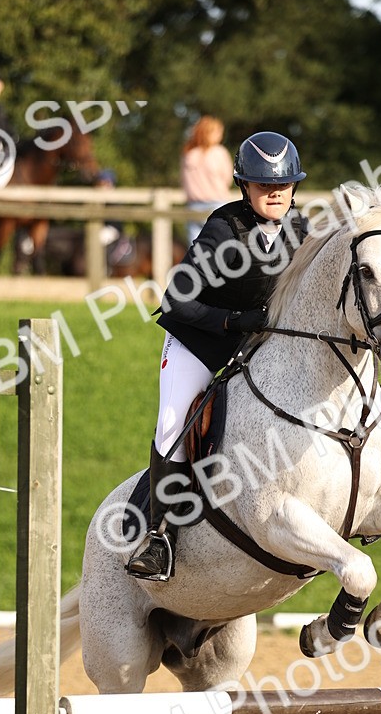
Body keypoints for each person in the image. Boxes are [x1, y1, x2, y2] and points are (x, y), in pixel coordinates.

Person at [126, 130, 308, 581]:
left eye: (282, 185)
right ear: (244, 186)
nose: (275, 193)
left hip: (258, 349)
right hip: (200, 343)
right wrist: (232, 321)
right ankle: (158, 537)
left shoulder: (303, 231)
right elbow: (176, 302)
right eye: (264, 185)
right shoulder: (223, 229)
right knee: (173, 424)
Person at [180, 116, 234, 244]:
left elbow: (183, 180)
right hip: (216, 204)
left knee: (196, 250)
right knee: (220, 247)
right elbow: (227, 178)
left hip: (193, 206)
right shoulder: (219, 152)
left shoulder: (188, 154)